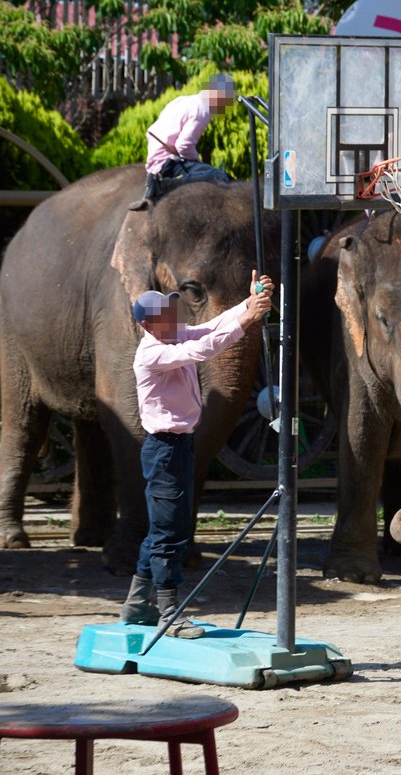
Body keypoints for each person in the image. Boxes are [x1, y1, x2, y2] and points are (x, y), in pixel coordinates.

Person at [120, 271, 274, 637]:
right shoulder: (154, 352)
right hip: (164, 450)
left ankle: (136, 604)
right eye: (165, 316)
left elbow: (210, 328)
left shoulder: (172, 335)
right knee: (170, 532)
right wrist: (249, 321)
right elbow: (203, 349)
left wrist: (248, 304)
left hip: (178, 447)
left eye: (173, 312)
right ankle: (169, 613)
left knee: (163, 528)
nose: (175, 319)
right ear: (147, 324)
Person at [138, 73, 237, 207]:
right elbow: (183, 145)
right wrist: (196, 161)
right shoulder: (203, 109)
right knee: (220, 176)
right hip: (168, 163)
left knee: (206, 170)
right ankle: (162, 186)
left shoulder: (184, 100)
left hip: (155, 158)